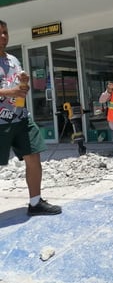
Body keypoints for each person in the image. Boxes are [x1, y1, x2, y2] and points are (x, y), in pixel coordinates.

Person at [0, 20, 62, 216]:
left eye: (5, 32)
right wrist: (12, 91)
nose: (3, 36)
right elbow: (11, 89)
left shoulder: (13, 60)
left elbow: (18, 83)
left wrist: (24, 84)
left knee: (34, 155)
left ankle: (35, 203)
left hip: (20, 118)